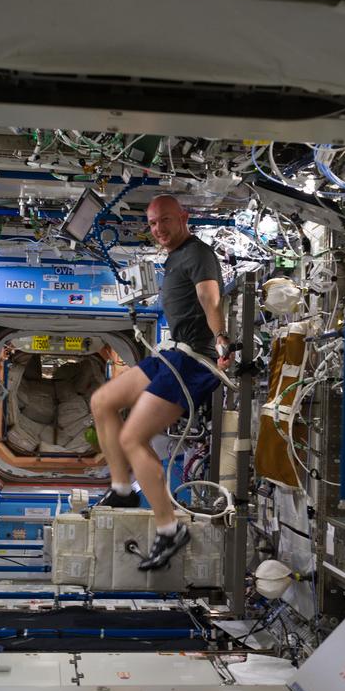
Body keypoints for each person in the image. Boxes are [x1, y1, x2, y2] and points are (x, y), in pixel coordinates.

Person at [88, 194, 232, 570]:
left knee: (132, 438)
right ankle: (122, 491)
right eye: (153, 224)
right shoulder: (174, 260)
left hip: (194, 362)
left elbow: (209, 298)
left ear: (183, 218)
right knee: (102, 402)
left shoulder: (198, 254)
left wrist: (221, 339)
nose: (159, 229)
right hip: (173, 354)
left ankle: (169, 530)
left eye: (166, 220)